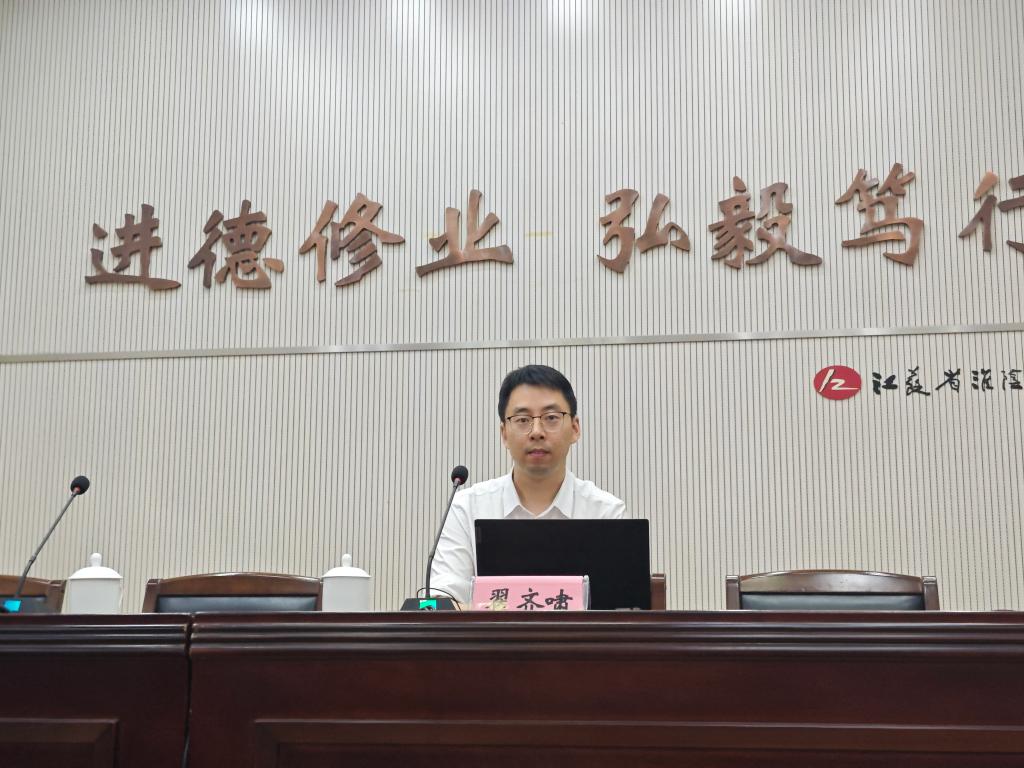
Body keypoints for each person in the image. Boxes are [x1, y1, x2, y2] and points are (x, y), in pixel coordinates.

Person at [429, 364, 625, 604]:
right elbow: (437, 601)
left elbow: (623, 609)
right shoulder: (466, 508)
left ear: (575, 428)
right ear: (504, 434)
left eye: (551, 418)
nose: (536, 432)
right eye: (522, 419)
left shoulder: (606, 513)